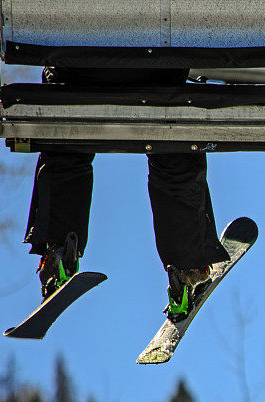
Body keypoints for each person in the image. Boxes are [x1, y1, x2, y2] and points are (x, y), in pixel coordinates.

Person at [24, 67, 229, 320]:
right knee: (175, 150)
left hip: (75, 68)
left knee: (64, 138)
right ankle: (187, 270)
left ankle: (58, 252)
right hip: (157, 69)